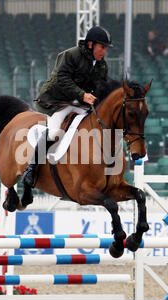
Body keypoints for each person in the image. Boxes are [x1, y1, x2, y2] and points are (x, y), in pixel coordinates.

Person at [22, 26, 112, 188]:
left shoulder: (101, 64)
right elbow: (62, 79)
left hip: (80, 103)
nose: (104, 52)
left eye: (105, 48)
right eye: (102, 47)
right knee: (55, 132)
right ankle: (31, 168)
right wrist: (82, 94)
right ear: (91, 45)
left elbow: (101, 85)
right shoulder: (71, 55)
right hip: (59, 101)